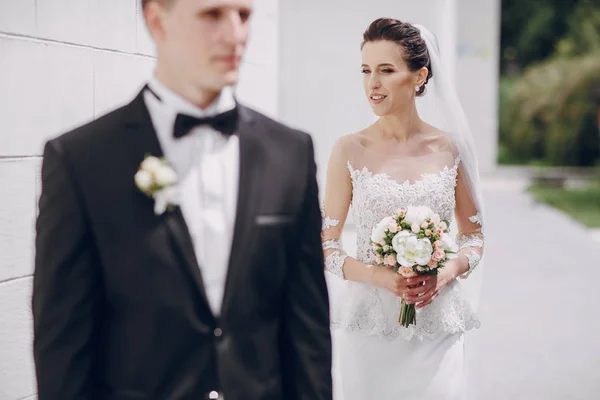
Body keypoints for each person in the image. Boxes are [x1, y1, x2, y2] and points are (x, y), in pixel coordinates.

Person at [32, 0, 332, 399]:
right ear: (157, 20)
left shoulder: (290, 152)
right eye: (212, 14)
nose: (236, 34)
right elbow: (62, 347)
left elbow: (307, 330)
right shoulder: (81, 160)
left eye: (243, 15)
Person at [321, 18, 485, 399]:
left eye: (386, 71)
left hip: (437, 322)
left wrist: (446, 271)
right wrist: (378, 276)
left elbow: (473, 236)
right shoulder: (348, 148)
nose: (372, 84)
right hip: (372, 330)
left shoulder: (450, 148)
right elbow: (326, 245)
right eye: (365, 71)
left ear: (419, 76)